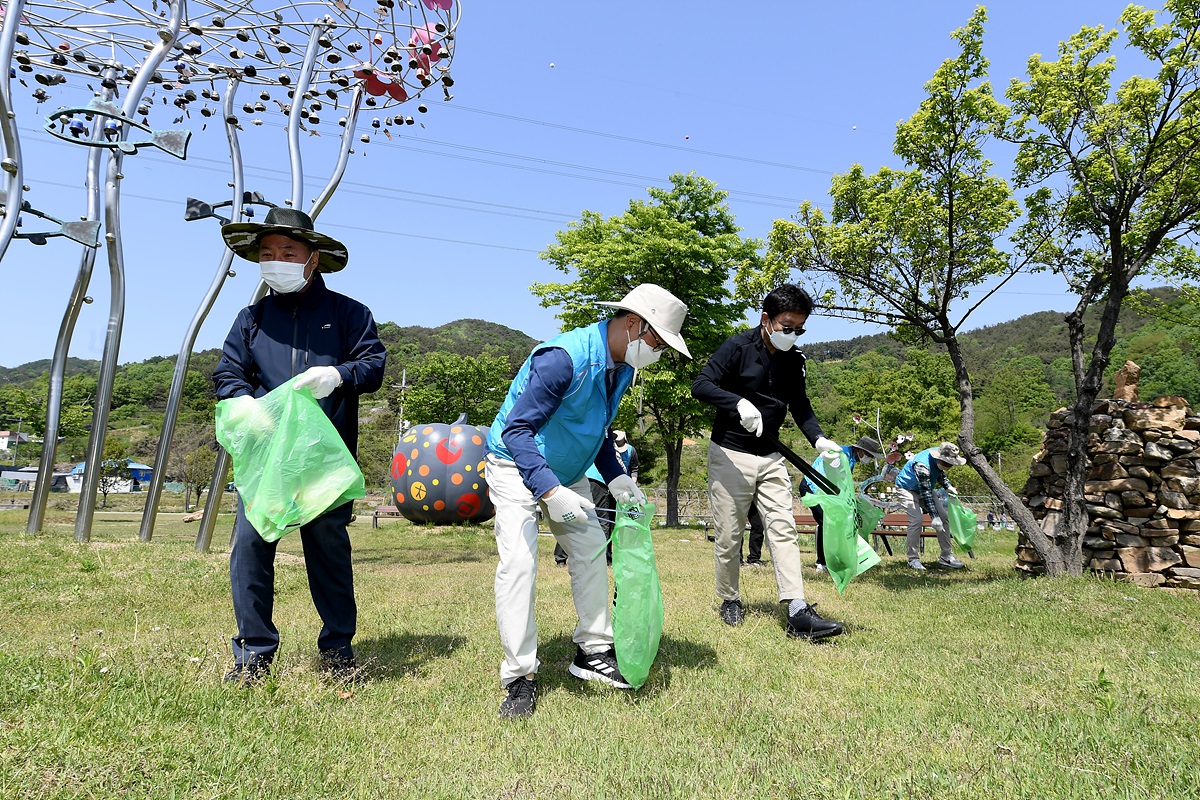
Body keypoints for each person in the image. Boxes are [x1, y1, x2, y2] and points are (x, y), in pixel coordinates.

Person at [485, 284, 689, 719]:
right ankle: (519, 675)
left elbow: (597, 433)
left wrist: (616, 478)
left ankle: (592, 652)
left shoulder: (623, 369)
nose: (658, 353)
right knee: (519, 563)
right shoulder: (563, 359)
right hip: (516, 465)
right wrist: (549, 490)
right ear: (634, 323)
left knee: (593, 552)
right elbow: (516, 431)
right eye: (658, 342)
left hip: (571, 473)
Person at [212, 207, 386, 684]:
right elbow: (227, 372)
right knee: (250, 546)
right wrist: (242, 400)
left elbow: (373, 365)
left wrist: (338, 374)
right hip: (264, 459)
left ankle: (337, 650)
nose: (276, 261)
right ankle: (253, 655)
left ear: (312, 258)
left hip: (322, 456)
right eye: (267, 254)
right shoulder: (252, 318)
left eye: (288, 252)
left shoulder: (349, 314)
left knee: (328, 549)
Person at [691, 283, 844, 640]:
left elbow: (801, 405)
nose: (792, 334)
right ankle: (730, 597)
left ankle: (796, 608)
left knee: (783, 527)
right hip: (730, 453)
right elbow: (700, 384)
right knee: (730, 535)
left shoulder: (794, 360)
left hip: (772, 455)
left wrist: (819, 439)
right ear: (766, 319)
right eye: (786, 326)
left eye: (799, 328)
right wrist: (737, 403)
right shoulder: (736, 347)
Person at [808, 436, 883, 573]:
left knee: (835, 524)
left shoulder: (851, 458)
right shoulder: (841, 454)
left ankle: (836, 560)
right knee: (826, 523)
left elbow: (842, 482)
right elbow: (827, 476)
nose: (869, 459)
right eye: (868, 455)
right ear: (860, 450)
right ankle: (822, 563)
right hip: (813, 488)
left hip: (826, 490)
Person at [894, 442, 967, 571]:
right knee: (916, 520)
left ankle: (946, 556)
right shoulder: (922, 465)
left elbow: (940, 472)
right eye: (948, 463)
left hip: (924, 488)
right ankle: (913, 559)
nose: (950, 466)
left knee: (944, 517)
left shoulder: (942, 452)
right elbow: (926, 493)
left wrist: (948, 486)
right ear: (939, 458)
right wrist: (934, 517)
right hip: (906, 488)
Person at [742, 502, 766, 567]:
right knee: (736, 528)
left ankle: (754, 558)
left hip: (754, 498)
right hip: (737, 495)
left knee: (758, 526)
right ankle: (737, 559)